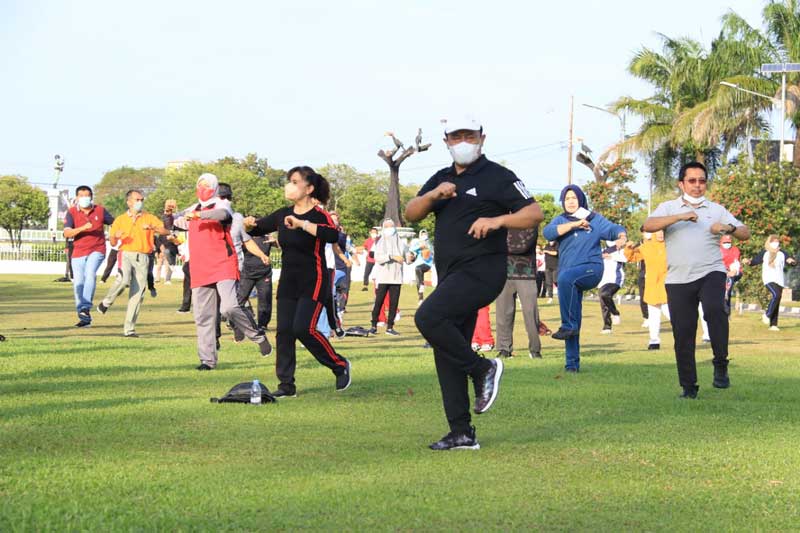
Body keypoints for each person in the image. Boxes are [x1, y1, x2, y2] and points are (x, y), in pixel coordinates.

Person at [405, 115, 543, 451]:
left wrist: (497, 220)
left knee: (427, 317)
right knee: (446, 350)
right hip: (451, 275)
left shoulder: (497, 175)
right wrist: (434, 195)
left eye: (469, 135)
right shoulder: (441, 179)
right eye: (456, 136)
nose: (463, 141)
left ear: (482, 138)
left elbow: (534, 213)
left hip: (483, 270)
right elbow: (411, 213)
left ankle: (483, 368)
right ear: (446, 142)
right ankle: (461, 432)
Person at [643, 161, 750, 398]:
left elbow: (745, 233)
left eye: (702, 181)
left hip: (711, 271)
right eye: (692, 181)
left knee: (715, 310)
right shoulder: (669, 207)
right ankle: (689, 387)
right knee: (683, 332)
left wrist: (728, 227)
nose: (697, 185)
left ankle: (720, 364)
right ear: (681, 184)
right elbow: (647, 225)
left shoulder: (716, 209)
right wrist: (679, 217)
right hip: (678, 279)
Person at [246, 166, 351, 397]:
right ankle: (286, 386)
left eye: (294, 182)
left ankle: (339, 365)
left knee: (303, 328)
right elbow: (258, 228)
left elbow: (333, 236)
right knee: (284, 332)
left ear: (309, 188)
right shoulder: (283, 214)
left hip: (313, 279)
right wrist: (248, 224)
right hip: (288, 281)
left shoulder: (318, 215)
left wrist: (302, 224)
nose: (288, 186)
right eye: (288, 181)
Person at [174, 174, 272, 370]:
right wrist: (169, 214)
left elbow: (223, 216)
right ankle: (207, 360)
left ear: (215, 188)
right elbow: (175, 223)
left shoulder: (221, 205)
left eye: (208, 185)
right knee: (203, 316)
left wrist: (198, 215)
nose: (204, 188)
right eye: (201, 185)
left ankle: (257, 336)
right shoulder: (192, 209)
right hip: (200, 267)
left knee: (228, 308)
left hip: (223, 263)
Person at [542, 185, 627, 372]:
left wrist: (621, 236)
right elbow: (547, 233)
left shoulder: (594, 218)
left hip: (591, 269)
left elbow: (614, 229)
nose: (570, 201)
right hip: (569, 274)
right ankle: (572, 365)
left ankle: (567, 325)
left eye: (573, 197)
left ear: (581, 199)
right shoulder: (561, 219)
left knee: (564, 281)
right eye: (566, 198)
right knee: (574, 316)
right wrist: (574, 224)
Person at [97, 190, 169, 337]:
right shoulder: (120, 219)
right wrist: (115, 237)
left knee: (137, 293)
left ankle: (129, 329)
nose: (140, 202)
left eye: (141, 199)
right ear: (129, 202)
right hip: (126, 254)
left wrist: (153, 228)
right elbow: (112, 241)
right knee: (123, 280)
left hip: (143, 256)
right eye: (137, 199)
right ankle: (106, 302)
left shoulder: (149, 217)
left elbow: (164, 231)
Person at [62, 185, 115, 327]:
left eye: (87, 195)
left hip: (97, 249)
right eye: (82, 196)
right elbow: (67, 233)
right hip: (78, 251)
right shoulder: (71, 212)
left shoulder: (100, 210)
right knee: (78, 281)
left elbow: (115, 223)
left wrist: (115, 234)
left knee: (90, 273)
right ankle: (84, 317)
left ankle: (85, 307)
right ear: (77, 198)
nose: (85, 198)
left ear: (91, 196)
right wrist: (82, 228)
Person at [495, 228, 542, 358]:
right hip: (503, 273)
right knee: (503, 313)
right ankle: (504, 349)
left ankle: (535, 349)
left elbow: (522, 247)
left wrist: (496, 245)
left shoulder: (530, 223)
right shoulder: (501, 222)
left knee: (530, 313)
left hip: (526, 274)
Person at [624, 229, 670, 349]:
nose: (660, 234)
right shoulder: (646, 247)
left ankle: (683, 339)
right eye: (657, 232)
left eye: (663, 231)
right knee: (653, 316)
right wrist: (628, 248)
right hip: (652, 286)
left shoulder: (671, 245)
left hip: (668, 286)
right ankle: (654, 341)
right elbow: (631, 257)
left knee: (673, 315)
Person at [746, 235, 797, 331]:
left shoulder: (782, 253)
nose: (776, 243)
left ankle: (773, 325)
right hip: (768, 278)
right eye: (773, 241)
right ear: (769, 242)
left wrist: (792, 262)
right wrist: (748, 261)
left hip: (780, 280)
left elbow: (790, 260)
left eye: (777, 241)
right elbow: (754, 261)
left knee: (777, 300)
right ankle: (767, 315)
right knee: (776, 295)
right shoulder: (765, 253)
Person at [369, 218, 405, 336]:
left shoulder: (400, 241)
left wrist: (410, 258)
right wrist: (392, 257)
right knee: (379, 301)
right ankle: (374, 325)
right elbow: (378, 258)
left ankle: (390, 327)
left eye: (391, 226)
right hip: (383, 276)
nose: (390, 229)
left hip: (396, 277)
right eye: (387, 226)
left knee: (394, 303)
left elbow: (407, 255)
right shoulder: (380, 241)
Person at [598, 245, 627, 334]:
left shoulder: (620, 249)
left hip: (615, 279)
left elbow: (626, 258)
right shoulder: (601, 249)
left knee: (605, 294)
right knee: (603, 304)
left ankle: (615, 313)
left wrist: (611, 256)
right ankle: (607, 327)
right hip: (602, 280)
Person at [409, 229, 435, 306]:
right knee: (418, 281)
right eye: (422, 234)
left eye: (425, 234)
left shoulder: (429, 243)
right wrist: (420, 247)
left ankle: (422, 285)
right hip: (418, 264)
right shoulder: (418, 243)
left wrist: (427, 248)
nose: (424, 235)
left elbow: (432, 251)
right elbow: (411, 249)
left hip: (427, 264)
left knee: (418, 269)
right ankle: (420, 298)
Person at [720, 234, 742, 313]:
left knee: (728, 287)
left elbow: (736, 263)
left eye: (728, 242)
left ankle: (726, 310)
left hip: (734, 272)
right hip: (722, 271)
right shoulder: (717, 250)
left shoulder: (735, 250)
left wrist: (734, 271)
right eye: (725, 242)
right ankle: (724, 309)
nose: (727, 244)